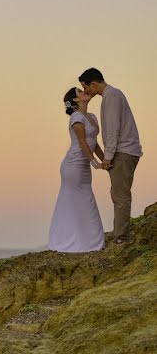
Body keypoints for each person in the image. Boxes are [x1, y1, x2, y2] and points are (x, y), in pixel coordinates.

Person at [79, 68, 143, 244]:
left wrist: (107, 157)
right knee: (118, 193)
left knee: (120, 194)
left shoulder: (112, 96)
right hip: (123, 151)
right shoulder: (110, 96)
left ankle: (121, 237)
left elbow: (113, 129)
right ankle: (119, 233)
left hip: (123, 151)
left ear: (94, 84)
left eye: (86, 88)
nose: (86, 92)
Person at [48, 87, 106, 253]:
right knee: (72, 202)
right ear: (75, 100)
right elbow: (82, 143)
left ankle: (89, 241)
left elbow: (94, 143)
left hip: (84, 165)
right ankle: (67, 241)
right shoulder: (76, 117)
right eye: (80, 92)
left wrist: (106, 161)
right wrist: (94, 163)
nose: (84, 92)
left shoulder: (92, 117)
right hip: (73, 166)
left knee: (86, 199)